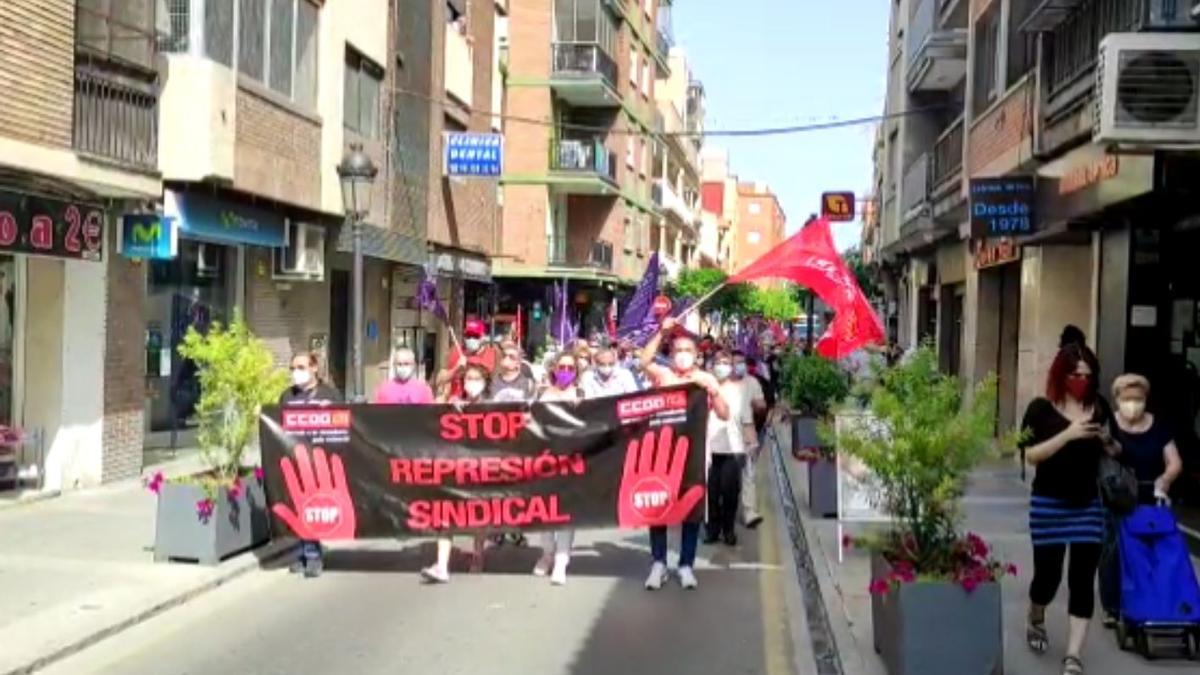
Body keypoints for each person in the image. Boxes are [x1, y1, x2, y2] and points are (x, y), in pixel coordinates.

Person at [1019, 344, 1120, 675]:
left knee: (1082, 579)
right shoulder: (1040, 409)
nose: (1081, 380)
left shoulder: (1099, 407)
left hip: (1088, 505)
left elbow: (1117, 450)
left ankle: (1073, 655)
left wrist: (1106, 439)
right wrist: (1069, 434)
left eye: (1087, 376)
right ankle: (1036, 614)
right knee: (1048, 577)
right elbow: (1030, 456)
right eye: (1075, 374)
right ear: (1061, 374)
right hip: (1048, 504)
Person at [639, 317, 730, 590]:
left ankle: (686, 565)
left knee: (690, 509)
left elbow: (724, 414)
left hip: (693, 455)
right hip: (661, 451)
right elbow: (644, 361)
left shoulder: (704, 379)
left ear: (697, 355)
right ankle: (658, 563)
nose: (682, 356)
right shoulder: (663, 377)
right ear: (670, 354)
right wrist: (662, 332)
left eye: (687, 351)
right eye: (677, 350)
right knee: (659, 507)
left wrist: (715, 394)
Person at [1098, 373, 1183, 626]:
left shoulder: (1159, 426)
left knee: (1153, 550)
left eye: (1138, 398)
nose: (1133, 404)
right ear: (1117, 400)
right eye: (1127, 399)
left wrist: (1165, 479)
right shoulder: (1108, 425)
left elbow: (1175, 461)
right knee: (1112, 551)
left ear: (1146, 399)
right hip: (1117, 497)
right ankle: (1111, 607)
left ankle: (1153, 601)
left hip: (1151, 497)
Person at [421, 363, 492, 584]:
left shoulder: (495, 405)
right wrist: (450, 405)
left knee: (479, 517)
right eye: (468, 379)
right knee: (445, 514)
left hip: (482, 469)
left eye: (476, 378)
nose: (471, 383)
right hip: (455, 468)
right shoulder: (455, 403)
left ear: (485, 382)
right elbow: (432, 411)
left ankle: (478, 556)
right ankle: (442, 565)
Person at [279, 353, 342, 577]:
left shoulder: (330, 395)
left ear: (314, 368)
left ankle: (312, 555)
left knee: (312, 508)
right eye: (293, 368)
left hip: (320, 463)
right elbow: (278, 425)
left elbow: (342, 426)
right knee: (298, 509)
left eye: (301, 367)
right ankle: (303, 551)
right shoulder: (287, 396)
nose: (296, 372)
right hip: (294, 461)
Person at [531, 351, 583, 585]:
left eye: (571, 368)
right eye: (562, 367)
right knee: (545, 509)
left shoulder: (582, 394)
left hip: (572, 459)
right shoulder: (542, 393)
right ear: (553, 369)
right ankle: (547, 553)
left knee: (566, 512)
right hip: (545, 458)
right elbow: (528, 420)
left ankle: (562, 560)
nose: (565, 372)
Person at [704, 351, 756, 546]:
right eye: (718, 362)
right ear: (711, 365)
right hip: (709, 450)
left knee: (730, 492)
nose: (721, 365)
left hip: (734, 449)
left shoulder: (740, 390)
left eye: (725, 362)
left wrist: (752, 444)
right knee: (711, 493)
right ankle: (712, 530)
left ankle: (728, 530)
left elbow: (747, 420)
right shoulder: (704, 389)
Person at [732, 351, 768, 529]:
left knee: (749, 473)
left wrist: (759, 407)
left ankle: (749, 512)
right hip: (725, 434)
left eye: (741, 362)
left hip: (747, 431)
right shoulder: (721, 382)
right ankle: (723, 514)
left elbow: (761, 404)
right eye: (734, 362)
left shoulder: (752, 382)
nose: (738, 365)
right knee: (727, 477)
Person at [435, 318, 497, 398]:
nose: (471, 339)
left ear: (483, 337)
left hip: (482, 401)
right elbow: (439, 380)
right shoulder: (455, 351)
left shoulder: (492, 354)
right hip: (457, 401)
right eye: (468, 335)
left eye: (475, 336)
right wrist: (456, 368)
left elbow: (495, 379)